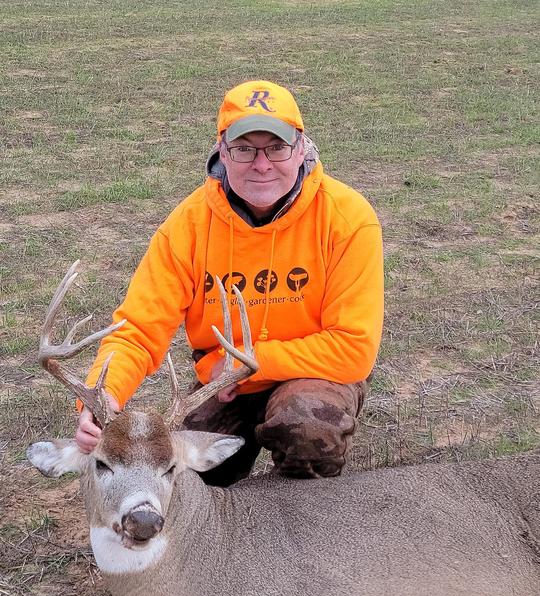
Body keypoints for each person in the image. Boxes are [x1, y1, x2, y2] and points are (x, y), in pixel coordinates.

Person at [76, 80, 384, 485]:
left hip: (312, 374)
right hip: (225, 385)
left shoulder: (347, 219)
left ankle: (304, 524)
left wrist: (245, 363)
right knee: (184, 476)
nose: (261, 164)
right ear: (222, 150)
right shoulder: (187, 227)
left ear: (302, 147)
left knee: (308, 428)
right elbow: (137, 329)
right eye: (244, 149)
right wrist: (100, 396)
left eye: (276, 147)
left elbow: (353, 348)